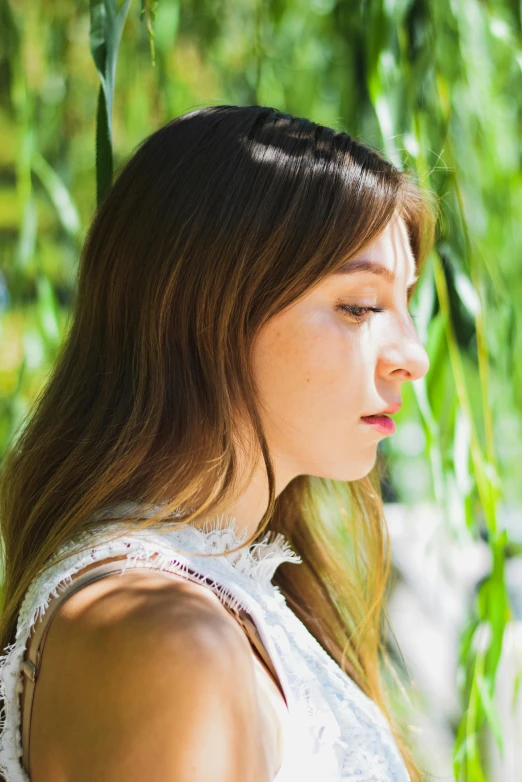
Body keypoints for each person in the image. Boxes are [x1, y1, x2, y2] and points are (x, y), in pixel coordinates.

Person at [0, 104, 437, 781]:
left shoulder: (235, 599)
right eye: (360, 306)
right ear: (203, 311)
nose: (413, 354)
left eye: (408, 303)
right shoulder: (159, 635)